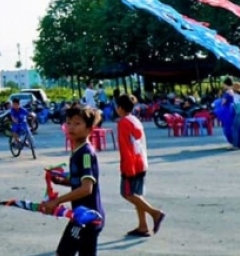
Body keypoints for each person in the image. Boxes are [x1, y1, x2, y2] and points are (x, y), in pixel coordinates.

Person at [41, 106, 105, 256]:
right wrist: (60, 181)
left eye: (77, 124)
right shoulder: (77, 151)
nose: (71, 127)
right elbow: (79, 181)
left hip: (86, 218)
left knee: (64, 252)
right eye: (69, 122)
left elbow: (86, 188)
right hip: (84, 216)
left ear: (89, 128)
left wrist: (56, 201)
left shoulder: (86, 154)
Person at [115, 94, 165, 237]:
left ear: (119, 108)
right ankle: (143, 226)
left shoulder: (123, 122)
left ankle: (155, 213)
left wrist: (126, 167)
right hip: (141, 161)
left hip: (131, 163)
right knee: (138, 195)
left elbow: (126, 147)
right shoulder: (135, 120)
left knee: (127, 193)